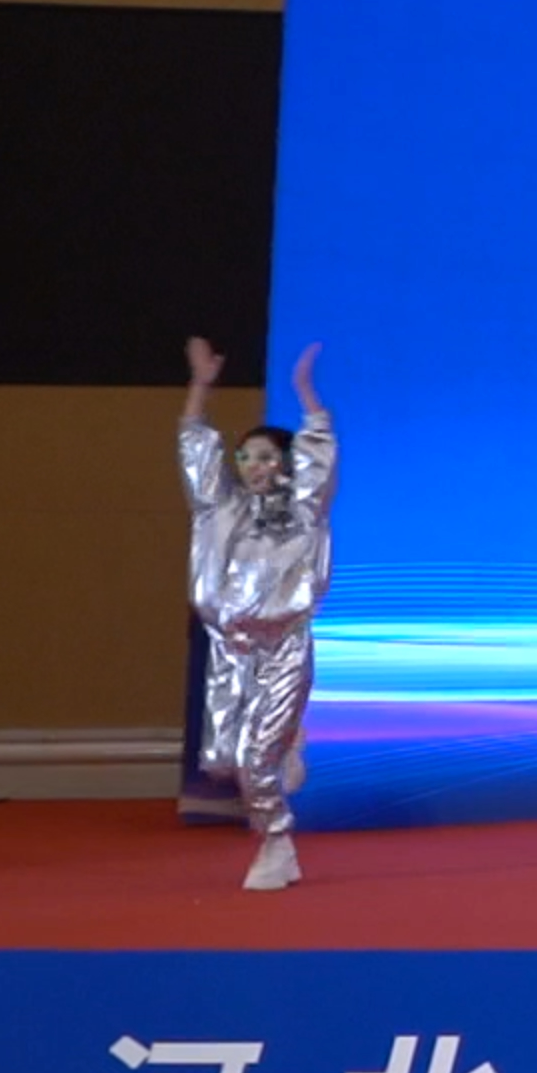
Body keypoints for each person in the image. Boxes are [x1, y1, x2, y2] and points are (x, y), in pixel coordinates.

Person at [179, 337, 335, 892]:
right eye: (245, 457)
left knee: (252, 761)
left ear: (286, 464)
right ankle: (289, 739)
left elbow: (318, 454)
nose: (254, 467)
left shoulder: (304, 512)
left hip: (283, 645)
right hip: (230, 648)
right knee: (223, 760)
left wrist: (305, 393)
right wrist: (201, 386)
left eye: (267, 457)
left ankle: (276, 841)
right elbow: (196, 448)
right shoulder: (218, 511)